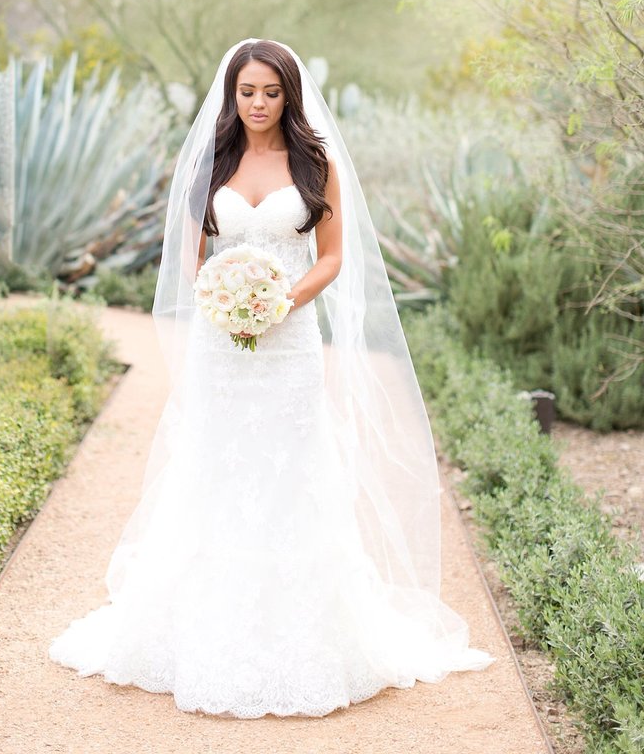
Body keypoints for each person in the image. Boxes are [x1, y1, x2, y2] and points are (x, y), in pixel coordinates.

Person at [48, 37, 494, 717]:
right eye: (246, 91)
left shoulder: (317, 163)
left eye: (271, 92)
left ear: (289, 94)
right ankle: (201, 627)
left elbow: (333, 257)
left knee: (291, 471)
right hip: (219, 346)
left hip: (289, 346)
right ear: (231, 95)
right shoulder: (211, 162)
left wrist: (279, 301)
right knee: (217, 467)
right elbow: (190, 257)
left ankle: (307, 635)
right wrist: (222, 302)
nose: (258, 103)